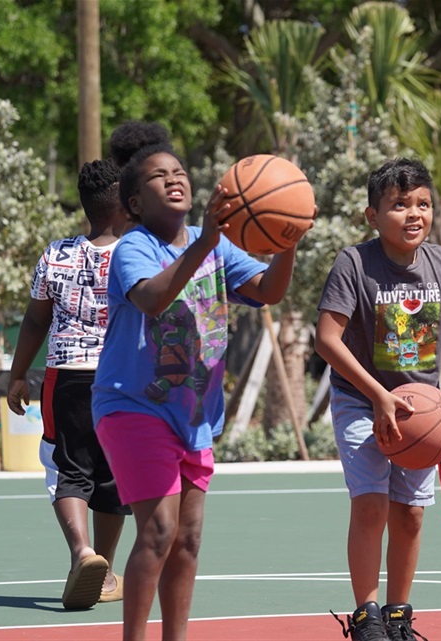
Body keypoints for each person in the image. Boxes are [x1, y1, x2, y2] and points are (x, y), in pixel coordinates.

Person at [91, 123, 310, 641]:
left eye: (180, 172)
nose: (174, 180)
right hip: (132, 407)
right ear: (135, 204)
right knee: (159, 530)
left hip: (194, 416)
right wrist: (207, 243)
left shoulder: (217, 247)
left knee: (187, 540)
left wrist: (289, 239)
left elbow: (269, 291)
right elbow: (150, 299)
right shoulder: (133, 248)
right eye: (157, 177)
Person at [316, 158, 441, 641]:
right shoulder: (354, 263)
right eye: (399, 205)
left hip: (421, 411)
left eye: (422, 203)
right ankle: (366, 615)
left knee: (411, 511)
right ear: (372, 216)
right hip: (363, 401)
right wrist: (378, 395)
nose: (413, 213)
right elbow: (327, 340)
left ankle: (399, 613)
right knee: (371, 505)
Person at [7, 157, 133, 609]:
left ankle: (82, 552)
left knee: (67, 468)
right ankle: (105, 571)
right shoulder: (138, 253)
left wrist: (19, 375)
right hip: (123, 378)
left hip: (67, 376)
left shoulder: (55, 254)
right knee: (113, 474)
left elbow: (35, 318)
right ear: (124, 206)